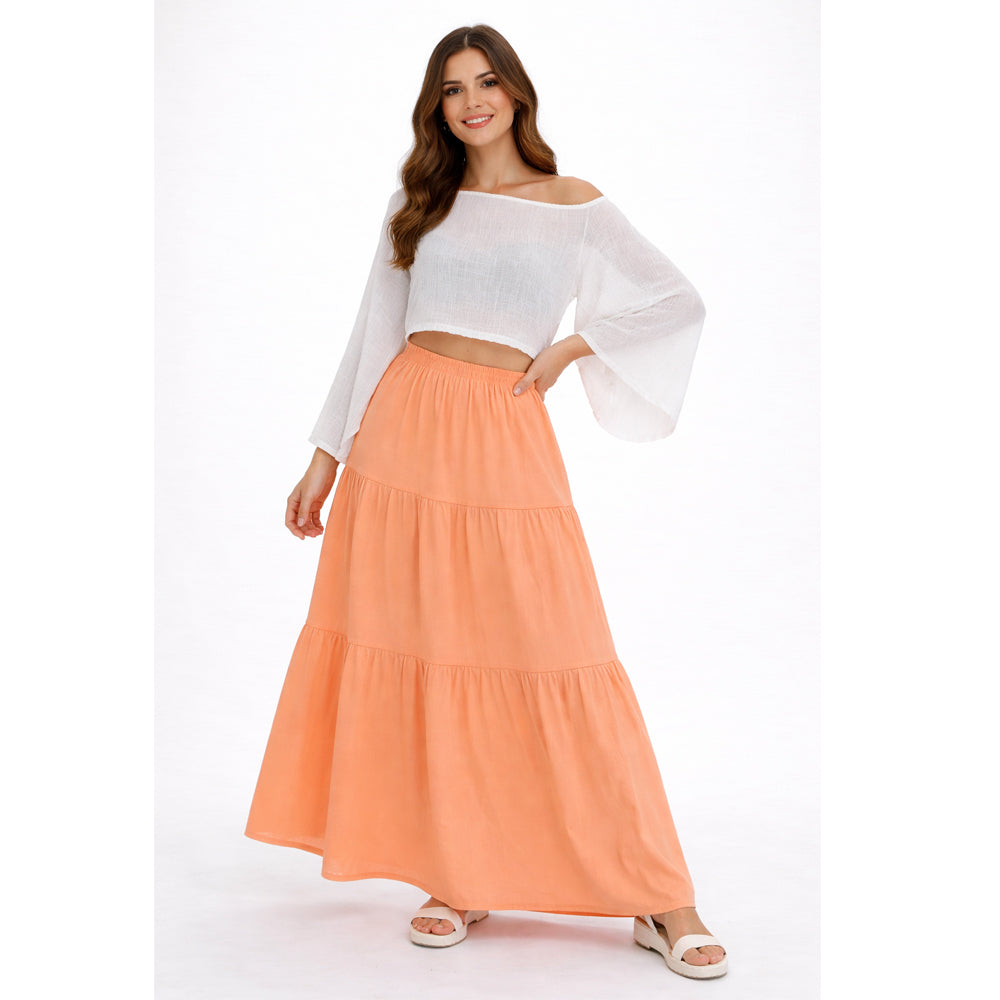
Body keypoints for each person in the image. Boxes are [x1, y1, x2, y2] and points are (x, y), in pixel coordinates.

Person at [244, 23, 728, 981]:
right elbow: (371, 337)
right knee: (433, 654)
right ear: (438, 106)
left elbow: (676, 299)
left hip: (504, 436)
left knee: (555, 650)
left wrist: (572, 346)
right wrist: (324, 459)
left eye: (487, 82)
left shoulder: (574, 205)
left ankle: (661, 896)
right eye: (453, 88)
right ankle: (457, 873)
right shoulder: (418, 203)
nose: (472, 102)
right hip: (402, 440)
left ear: (516, 92)